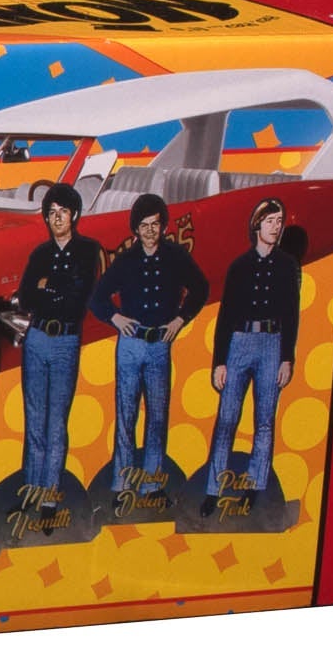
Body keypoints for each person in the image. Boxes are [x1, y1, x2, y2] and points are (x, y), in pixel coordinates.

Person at [91, 193, 208, 504]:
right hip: (130, 346)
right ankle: (121, 485)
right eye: (143, 226)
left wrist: (180, 319)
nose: (149, 231)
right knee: (126, 415)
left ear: (164, 226)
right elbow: (97, 297)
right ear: (135, 229)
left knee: (157, 416)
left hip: (159, 346)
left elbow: (201, 288)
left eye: (155, 224)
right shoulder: (126, 260)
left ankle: (152, 486)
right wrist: (115, 317)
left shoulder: (176, 256)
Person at [203, 199, 301, 516]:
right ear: (257, 225)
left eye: (279, 220)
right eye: (270, 220)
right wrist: (220, 361)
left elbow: (292, 314)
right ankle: (213, 489)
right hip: (239, 342)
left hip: (272, 343)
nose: (276, 226)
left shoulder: (287, 266)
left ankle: (254, 488)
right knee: (227, 418)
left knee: (264, 421)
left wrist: (287, 357)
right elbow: (225, 315)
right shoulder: (239, 266)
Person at [14, 183, 101, 518]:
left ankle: (49, 498)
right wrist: (56, 289)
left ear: (74, 215)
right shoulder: (39, 254)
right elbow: (25, 298)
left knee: (56, 422)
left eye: (62, 212)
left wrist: (46, 285)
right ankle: (30, 491)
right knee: (34, 419)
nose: (57, 218)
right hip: (36, 339)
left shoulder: (88, 250)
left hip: (65, 340)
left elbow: (79, 300)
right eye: (51, 213)